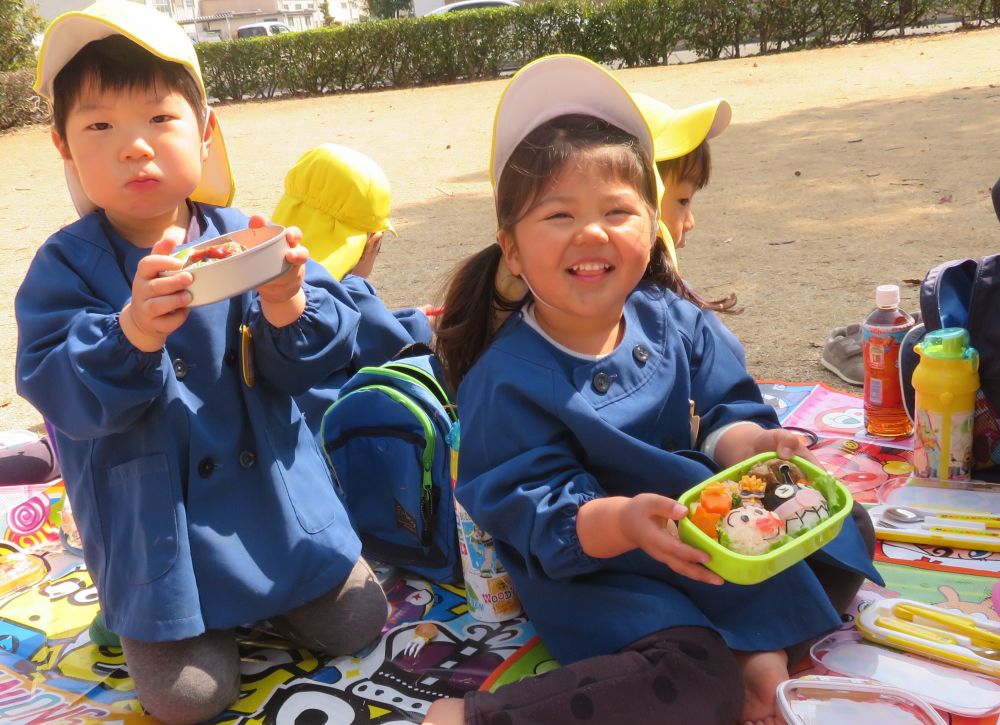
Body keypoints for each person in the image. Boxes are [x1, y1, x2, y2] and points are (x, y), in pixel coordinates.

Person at [426, 55, 881, 725]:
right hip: (598, 567)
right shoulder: (510, 376)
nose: (592, 232)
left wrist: (759, 443)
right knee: (692, 685)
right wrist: (623, 522)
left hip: (703, 533)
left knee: (844, 527)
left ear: (651, 224)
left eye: (617, 210)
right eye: (558, 214)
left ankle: (753, 652)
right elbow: (538, 508)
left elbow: (727, 407)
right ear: (513, 249)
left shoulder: (672, 317)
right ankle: (473, 717)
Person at [15, 3, 387, 722]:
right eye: (100, 127)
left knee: (359, 621)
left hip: (276, 512)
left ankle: (278, 594)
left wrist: (287, 302)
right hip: (160, 535)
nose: (136, 149)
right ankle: (153, 617)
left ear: (205, 129)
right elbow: (55, 385)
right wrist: (130, 333)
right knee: (191, 699)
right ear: (64, 147)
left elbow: (321, 357)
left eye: (160, 119)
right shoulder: (66, 267)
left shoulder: (245, 238)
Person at [272, 143, 433, 434]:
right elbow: (397, 351)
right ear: (371, 242)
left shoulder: (270, 284)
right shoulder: (348, 290)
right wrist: (424, 321)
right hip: (332, 443)